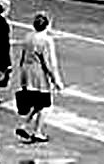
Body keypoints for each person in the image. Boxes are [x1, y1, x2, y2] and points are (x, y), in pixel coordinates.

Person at [16, 12, 64, 144]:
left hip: (27, 72)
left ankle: (24, 125)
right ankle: (37, 132)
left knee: (37, 103)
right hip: (39, 75)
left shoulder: (28, 36)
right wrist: (56, 80)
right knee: (45, 105)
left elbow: (22, 56)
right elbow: (49, 64)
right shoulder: (47, 40)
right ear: (48, 25)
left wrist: (23, 75)